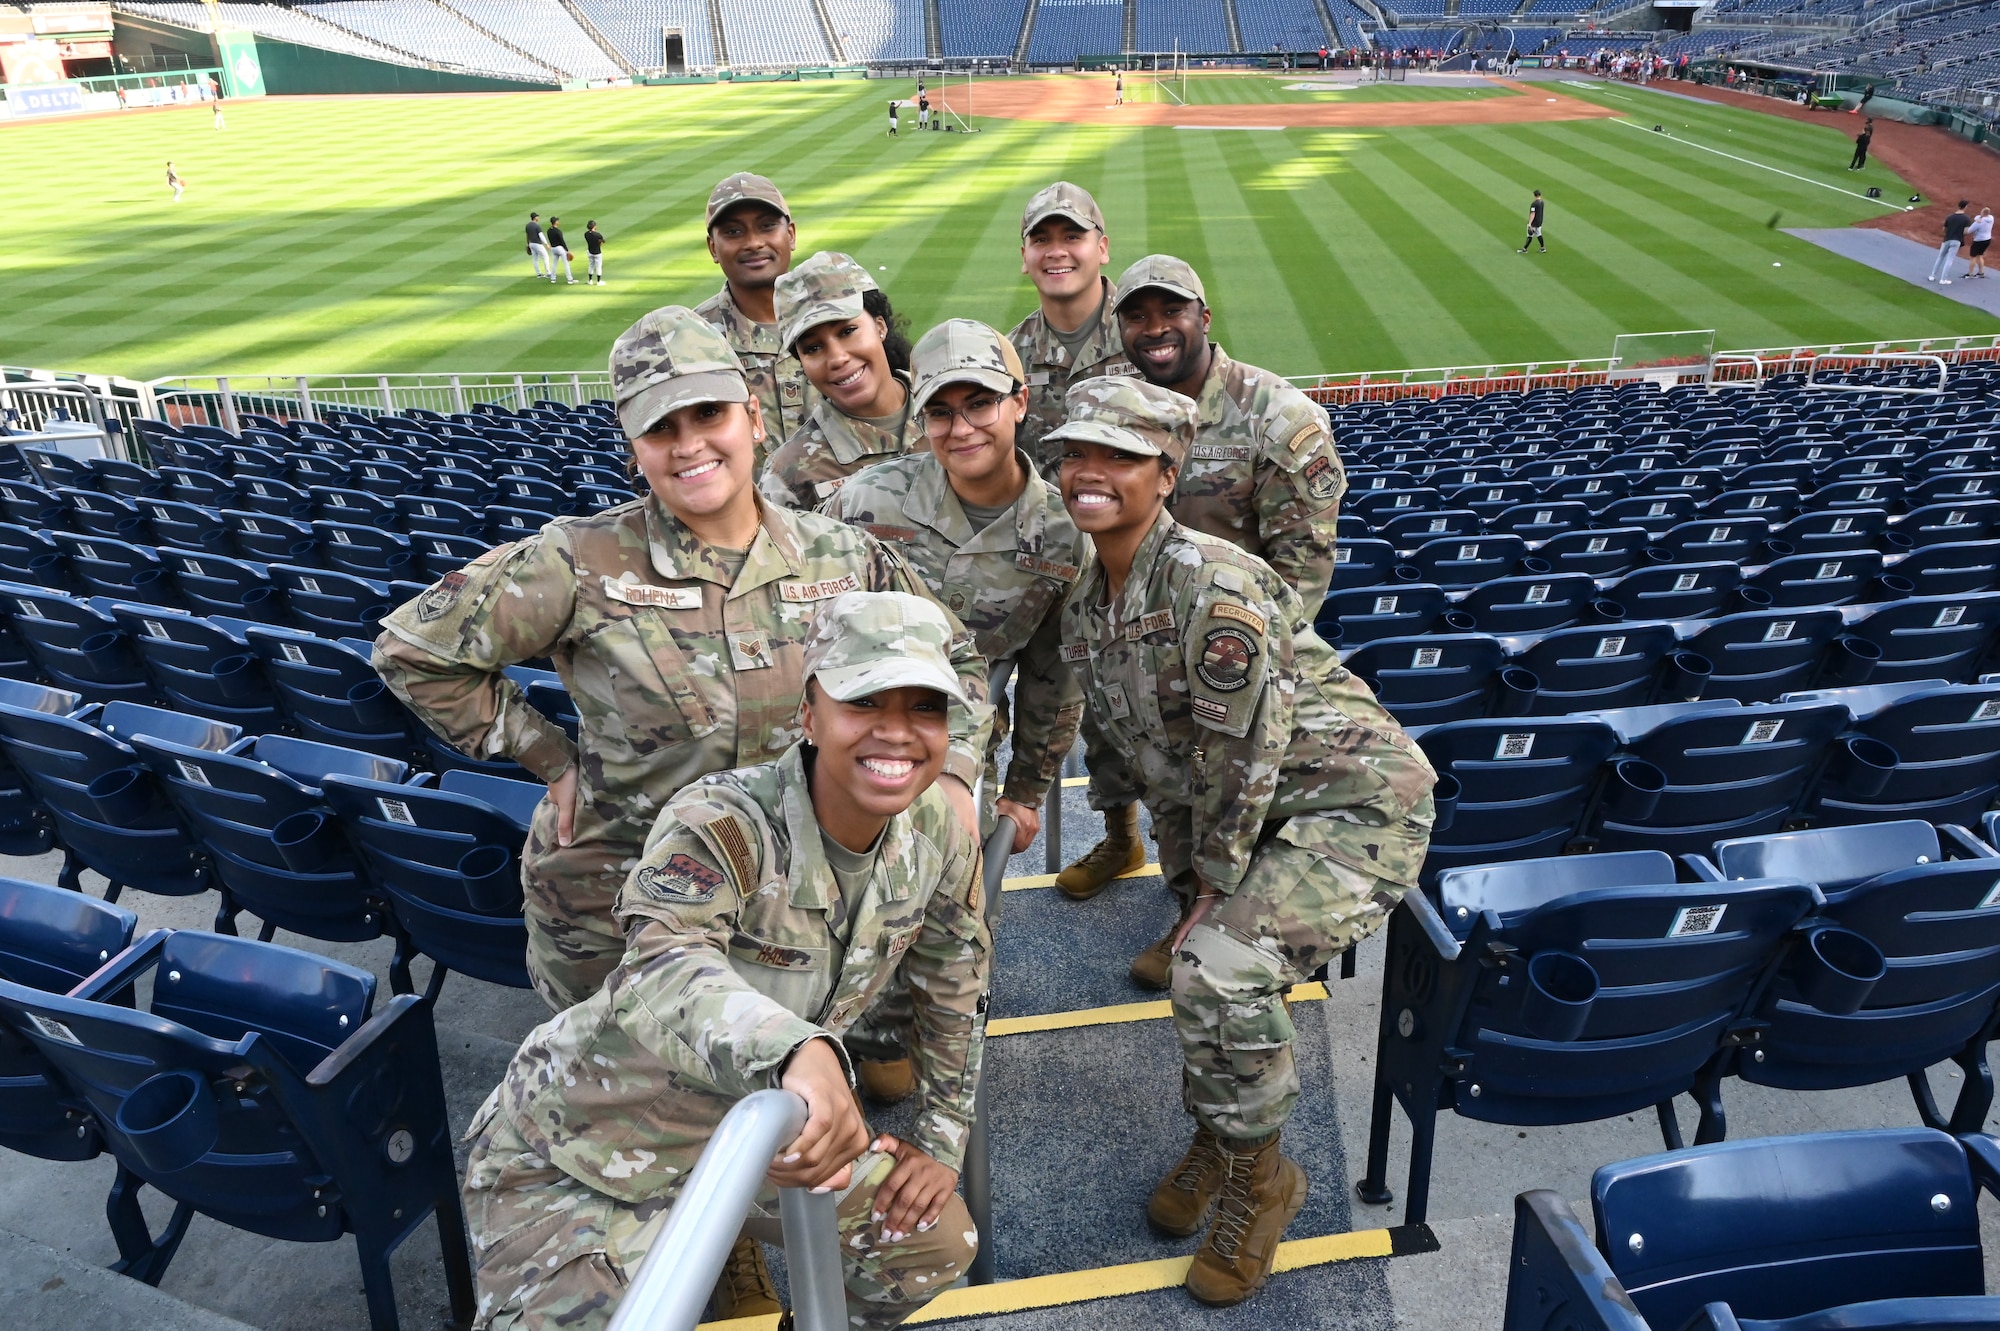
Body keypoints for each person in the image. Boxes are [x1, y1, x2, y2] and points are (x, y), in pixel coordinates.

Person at [374, 303, 993, 1021]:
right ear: (633, 446)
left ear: (754, 418)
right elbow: (412, 649)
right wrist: (548, 755)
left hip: (790, 908)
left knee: (786, 1098)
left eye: (709, 415)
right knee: (648, 1116)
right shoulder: (580, 559)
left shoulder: (843, 557)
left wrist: (952, 776)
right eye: (661, 428)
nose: (689, 444)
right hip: (621, 908)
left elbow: (957, 660)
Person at [461, 590, 991, 1331]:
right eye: (865, 700)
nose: (897, 733)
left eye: (924, 708)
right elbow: (665, 959)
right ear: (810, 713)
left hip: (761, 1141)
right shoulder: (724, 820)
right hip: (592, 1146)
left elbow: (955, 979)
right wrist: (796, 1050)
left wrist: (938, 1139)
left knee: (930, 1243)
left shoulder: (937, 827)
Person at [1049, 377, 1434, 1306]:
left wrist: (1212, 888)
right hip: (1239, 808)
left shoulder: (1213, 586)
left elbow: (1243, 755)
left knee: (1219, 968)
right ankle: (1225, 1138)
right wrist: (1178, 868)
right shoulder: (1092, 592)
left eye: (1120, 457)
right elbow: (1152, 750)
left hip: (1349, 808)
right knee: (1199, 967)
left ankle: (1263, 1178)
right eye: (1077, 454)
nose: (1090, 474)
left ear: (1167, 471)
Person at [825, 320, 1088, 1099]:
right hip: (855, 732)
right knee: (845, 884)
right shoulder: (867, 499)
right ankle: (864, 1023)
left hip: (965, 742)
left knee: (952, 901)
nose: (962, 425)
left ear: (1019, 404)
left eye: (981, 403)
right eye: (942, 410)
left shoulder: (1062, 530)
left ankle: (927, 1017)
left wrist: (1029, 789)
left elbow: (1051, 675)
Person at [1056, 255, 1345, 935]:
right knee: (1128, 751)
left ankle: (1205, 916)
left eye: (1170, 311)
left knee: (1219, 777)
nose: (1154, 328)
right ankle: (1125, 841)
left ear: (1203, 318)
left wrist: (1238, 662)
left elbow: (1303, 570)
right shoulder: (1114, 400)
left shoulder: (1275, 415)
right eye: (1136, 315)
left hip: (1229, 638)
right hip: (1137, 625)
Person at [759, 252, 923, 511]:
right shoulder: (789, 475)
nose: (836, 358)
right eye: (813, 348)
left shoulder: (952, 406)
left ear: (880, 326)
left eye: (847, 331)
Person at [1007, 181, 1136, 475]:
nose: (1056, 252)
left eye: (1072, 237)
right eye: (1041, 240)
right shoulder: (1008, 357)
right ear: (1024, 256)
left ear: (1102, 249)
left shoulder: (1146, 338)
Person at [695, 173, 811, 459]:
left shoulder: (841, 320)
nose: (753, 243)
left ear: (791, 235)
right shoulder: (693, 339)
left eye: (767, 226)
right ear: (713, 247)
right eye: (734, 232)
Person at [1931, 200, 1971, 285]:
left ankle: (1932, 275)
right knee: (1949, 260)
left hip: (1946, 239)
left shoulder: (1950, 217)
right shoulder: (1966, 218)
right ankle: (1943, 279)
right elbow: (1965, 232)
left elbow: (1944, 229)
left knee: (1940, 257)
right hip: (1956, 241)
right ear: (1965, 207)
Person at [547, 216, 576, 285]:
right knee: (566, 264)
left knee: (554, 264)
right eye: (557, 221)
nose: (558, 222)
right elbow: (562, 241)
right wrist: (567, 250)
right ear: (555, 222)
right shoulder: (558, 231)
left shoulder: (549, 230)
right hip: (559, 248)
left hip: (553, 248)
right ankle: (570, 279)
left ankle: (553, 278)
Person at [1968, 206, 1994, 279]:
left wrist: (1977, 220)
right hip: (1987, 240)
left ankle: (1970, 273)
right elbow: (1978, 217)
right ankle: (1981, 272)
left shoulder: (1979, 222)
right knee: (1980, 255)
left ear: (1982, 213)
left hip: (1978, 241)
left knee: (1973, 257)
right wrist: (1977, 218)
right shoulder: (1991, 218)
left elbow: (1969, 231)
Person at [526, 212, 551, 281]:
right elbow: (541, 235)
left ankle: (538, 274)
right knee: (546, 257)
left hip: (531, 243)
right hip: (537, 244)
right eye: (537, 217)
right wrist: (546, 244)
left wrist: (528, 244)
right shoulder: (537, 226)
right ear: (535, 218)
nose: (538, 218)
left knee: (535, 259)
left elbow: (527, 235)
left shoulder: (528, 225)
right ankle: (548, 273)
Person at [583, 220, 606, 285]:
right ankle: (599, 281)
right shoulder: (597, 235)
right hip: (597, 252)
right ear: (594, 226)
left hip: (590, 251)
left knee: (591, 266)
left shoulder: (586, 234)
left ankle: (590, 280)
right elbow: (602, 241)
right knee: (598, 267)